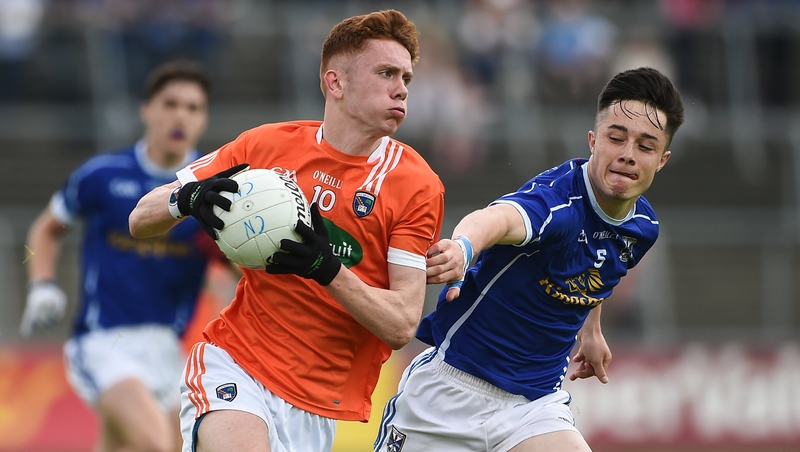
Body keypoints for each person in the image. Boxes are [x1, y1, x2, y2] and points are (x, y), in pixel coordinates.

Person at [128, 9, 444, 452]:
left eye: (406, 77)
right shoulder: (265, 145)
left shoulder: (417, 185)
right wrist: (189, 198)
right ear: (335, 83)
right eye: (386, 73)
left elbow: (401, 323)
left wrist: (326, 269)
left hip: (319, 404)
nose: (402, 89)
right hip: (234, 362)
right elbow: (140, 217)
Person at [374, 66, 684, 452]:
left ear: (662, 160)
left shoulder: (643, 227)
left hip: (533, 408)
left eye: (645, 146)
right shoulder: (556, 203)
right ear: (593, 141)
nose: (627, 155)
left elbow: (599, 265)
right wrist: (463, 248)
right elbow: (496, 219)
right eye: (616, 138)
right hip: (449, 393)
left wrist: (591, 330)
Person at [21, 59, 226, 452]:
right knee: (157, 443)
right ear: (146, 110)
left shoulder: (211, 188)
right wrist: (41, 283)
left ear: (203, 119)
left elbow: (232, 265)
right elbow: (44, 231)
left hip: (169, 347)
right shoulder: (101, 175)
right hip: (105, 343)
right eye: (170, 104)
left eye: (193, 107)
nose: (180, 115)